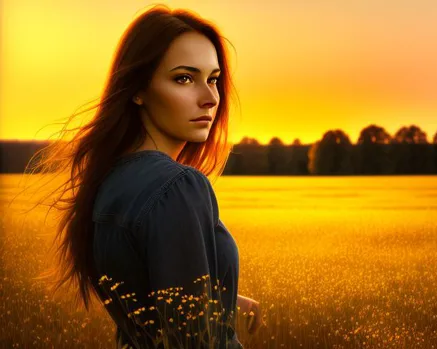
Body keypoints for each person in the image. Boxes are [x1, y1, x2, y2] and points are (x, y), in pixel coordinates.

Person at [18, 4, 264, 348]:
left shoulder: (108, 181)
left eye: (213, 79)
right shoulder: (178, 186)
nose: (210, 98)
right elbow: (194, 342)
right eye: (184, 78)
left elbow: (147, 289)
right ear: (138, 89)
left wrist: (224, 301)